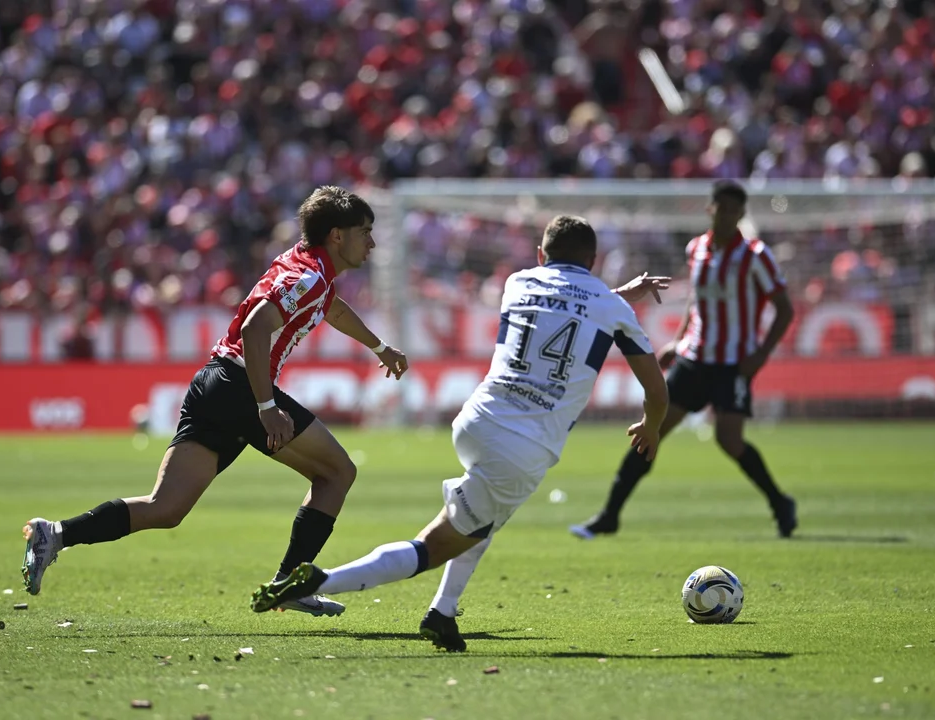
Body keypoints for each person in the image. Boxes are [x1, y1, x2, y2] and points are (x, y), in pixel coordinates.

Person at [249, 214, 671, 651]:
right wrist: (652, 427)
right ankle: (318, 581)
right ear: (594, 260)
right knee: (432, 547)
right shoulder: (611, 308)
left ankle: (443, 613)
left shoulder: (519, 282)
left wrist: (617, 297)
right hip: (524, 444)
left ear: (540, 255)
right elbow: (656, 389)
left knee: (482, 521)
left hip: (477, 419)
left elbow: (566, 304)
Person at [20, 186, 409, 617]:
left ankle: (55, 534)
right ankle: (289, 583)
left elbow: (332, 309)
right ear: (337, 235)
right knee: (337, 472)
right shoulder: (310, 278)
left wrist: (379, 347)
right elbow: (256, 329)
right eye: (365, 231)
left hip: (213, 382)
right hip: (241, 387)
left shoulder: (310, 269)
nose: (372, 243)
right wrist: (266, 407)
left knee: (165, 508)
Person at [570, 180, 798, 541]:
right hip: (695, 359)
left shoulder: (756, 255)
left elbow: (785, 309)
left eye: (733, 210)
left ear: (741, 213)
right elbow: (696, 300)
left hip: (733, 364)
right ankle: (610, 514)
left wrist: (760, 354)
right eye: (721, 208)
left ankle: (780, 503)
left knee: (729, 439)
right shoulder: (697, 249)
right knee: (651, 431)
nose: (726, 215)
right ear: (710, 209)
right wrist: (678, 341)